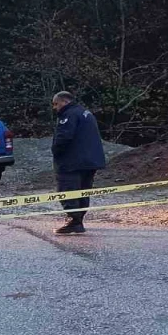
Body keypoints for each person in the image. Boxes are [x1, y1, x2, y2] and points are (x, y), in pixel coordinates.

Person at [50, 91, 107, 235]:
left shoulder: (69, 115)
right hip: (90, 160)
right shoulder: (85, 113)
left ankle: (74, 221)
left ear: (64, 102)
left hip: (72, 162)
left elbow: (64, 137)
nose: (55, 108)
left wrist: (55, 151)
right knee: (83, 191)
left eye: (56, 104)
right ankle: (77, 220)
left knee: (67, 191)